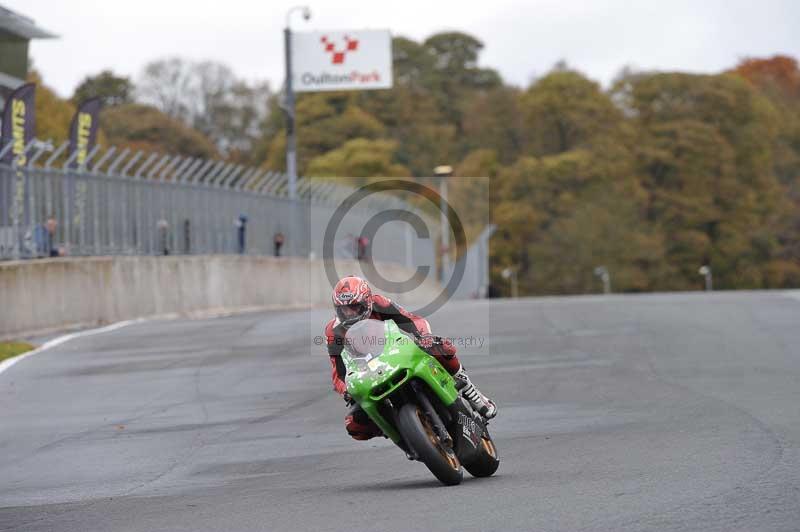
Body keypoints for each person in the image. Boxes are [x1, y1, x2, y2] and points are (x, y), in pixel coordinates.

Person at [324, 275, 496, 440]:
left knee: (439, 347)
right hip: (367, 373)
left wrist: (423, 336)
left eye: (354, 307)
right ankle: (396, 429)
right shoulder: (333, 330)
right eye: (344, 309)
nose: (350, 313)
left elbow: (412, 320)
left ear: (367, 302)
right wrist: (346, 390)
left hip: (395, 352)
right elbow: (337, 371)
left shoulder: (379, 303)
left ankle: (470, 390)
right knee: (355, 425)